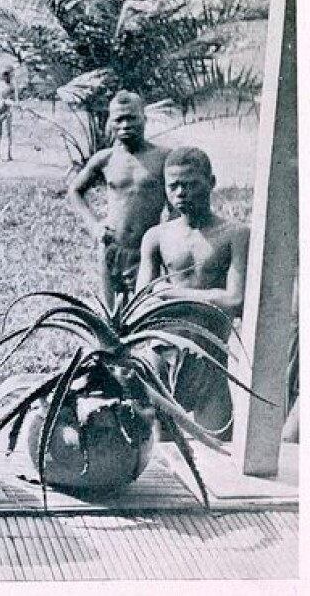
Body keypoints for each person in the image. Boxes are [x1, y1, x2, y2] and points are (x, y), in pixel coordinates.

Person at [136, 146, 249, 438]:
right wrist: (209, 296)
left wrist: (171, 294)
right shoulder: (157, 237)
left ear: (211, 182)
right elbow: (142, 299)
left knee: (219, 447)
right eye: (173, 185)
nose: (181, 193)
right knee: (163, 451)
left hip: (210, 357)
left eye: (190, 184)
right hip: (163, 351)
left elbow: (235, 299)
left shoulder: (235, 235)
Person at [68, 91, 171, 311]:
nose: (125, 125)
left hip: (147, 251)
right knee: (113, 317)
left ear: (145, 118)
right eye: (118, 119)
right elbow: (75, 191)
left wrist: (167, 238)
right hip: (111, 247)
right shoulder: (105, 159)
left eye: (131, 117)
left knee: (148, 312)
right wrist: (94, 225)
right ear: (110, 123)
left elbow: (176, 207)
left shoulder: (164, 158)